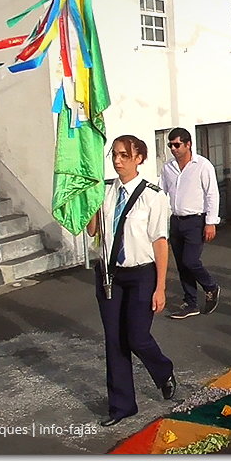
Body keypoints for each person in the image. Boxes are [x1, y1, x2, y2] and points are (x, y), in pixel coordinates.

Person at [86, 135, 175, 427]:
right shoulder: (106, 192)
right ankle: (122, 405)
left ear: (139, 158)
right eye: (115, 155)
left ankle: (163, 371)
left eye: (124, 155)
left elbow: (160, 243)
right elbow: (92, 231)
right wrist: (89, 201)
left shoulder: (153, 196)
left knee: (136, 336)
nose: (117, 160)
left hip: (141, 274)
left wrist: (160, 287)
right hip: (110, 274)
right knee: (114, 341)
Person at [160, 127, 222, 319]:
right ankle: (190, 302)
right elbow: (161, 192)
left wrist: (211, 222)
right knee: (181, 264)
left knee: (191, 260)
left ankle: (210, 286)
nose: (173, 148)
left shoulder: (202, 165)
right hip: (176, 220)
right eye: (170, 145)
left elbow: (212, 193)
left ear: (188, 145)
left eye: (177, 144)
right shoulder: (168, 168)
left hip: (196, 220)